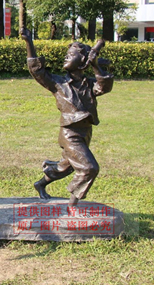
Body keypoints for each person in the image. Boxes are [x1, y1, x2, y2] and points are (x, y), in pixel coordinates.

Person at [20, 28, 114, 207]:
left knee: (66, 167)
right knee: (89, 168)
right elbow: (37, 71)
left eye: (70, 55)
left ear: (83, 62)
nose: (66, 57)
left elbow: (104, 86)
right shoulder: (58, 83)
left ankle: (40, 184)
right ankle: (72, 206)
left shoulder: (90, 85)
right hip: (69, 133)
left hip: (85, 132)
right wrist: (29, 42)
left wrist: (95, 65)